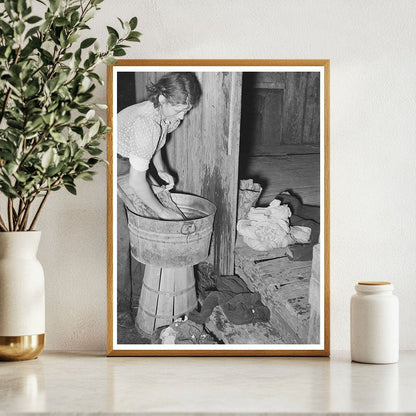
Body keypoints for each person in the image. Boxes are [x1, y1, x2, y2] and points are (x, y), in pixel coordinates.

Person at [116, 72, 202, 328]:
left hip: (132, 162)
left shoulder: (169, 116)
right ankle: (121, 309)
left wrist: (161, 169)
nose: (182, 116)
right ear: (162, 98)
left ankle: (143, 290)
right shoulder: (146, 122)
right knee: (122, 235)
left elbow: (156, 145)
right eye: (179, 109)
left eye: (186, 109)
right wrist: (163, 212)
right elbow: (135, 182)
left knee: (148, 221)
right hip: (109, 161)